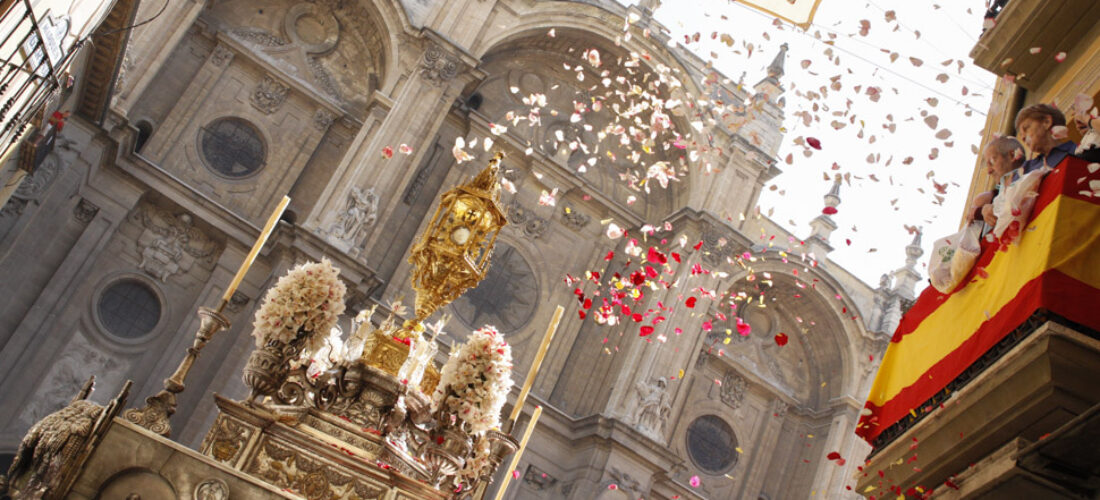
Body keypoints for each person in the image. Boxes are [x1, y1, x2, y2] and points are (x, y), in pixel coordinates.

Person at [967, 136, 1026, 229]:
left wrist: (980, 211)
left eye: (992, 162)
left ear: (1012, 155)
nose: (989, 171)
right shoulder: (992, 197)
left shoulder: (1032, 175)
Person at [1016, 103, 1077, 173]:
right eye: (1021, 135)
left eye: (1026, 128)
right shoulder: (1026, 168)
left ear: (1047, 122)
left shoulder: (1077, 150)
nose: (1023, 137)